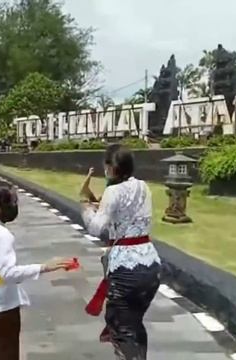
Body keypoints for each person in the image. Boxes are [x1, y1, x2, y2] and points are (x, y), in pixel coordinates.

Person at [0, 180, 74, 360]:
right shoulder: (2, 234)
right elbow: (8, 274)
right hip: (1, 306)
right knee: (6, 354)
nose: (14, 207)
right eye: (10, 202)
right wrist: (44, 267)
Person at [81, 147, 161, 360]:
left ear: (111, 168)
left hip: (125, 268)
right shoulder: (143, 186)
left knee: (122, 327)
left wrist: (86, 208)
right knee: (134, 324)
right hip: (151, 264)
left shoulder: (113, 191)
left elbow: (97, 228)